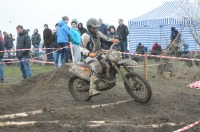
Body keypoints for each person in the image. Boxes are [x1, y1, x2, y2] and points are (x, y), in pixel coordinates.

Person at [81, 18, 119, 96]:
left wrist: (113, 40)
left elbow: (106, 39)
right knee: (98, 67)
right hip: (89, 57)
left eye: (97, 27)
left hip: (99, 54)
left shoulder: (98, 33)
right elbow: (81, 47)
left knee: (110, 62)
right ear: (89, 27)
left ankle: (108, 79)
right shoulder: (86, 35)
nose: (96, 29)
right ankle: (92, 89)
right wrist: (89, 53)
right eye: (94, 28)